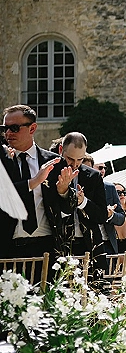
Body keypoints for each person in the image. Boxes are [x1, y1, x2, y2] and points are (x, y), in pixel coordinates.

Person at [0, 105, 63, 259]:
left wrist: (65, 191)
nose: (8, 133)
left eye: (14, 128)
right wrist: (34, 182)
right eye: (4, 128)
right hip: (8, 248)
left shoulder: (53, 162)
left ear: (32, 128)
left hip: (48, 246)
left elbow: (65, 208)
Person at [82, 153, 125, 255]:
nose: (102, 171)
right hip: (84, 243)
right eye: (99, 167)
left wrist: (110, 215)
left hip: (107, 244)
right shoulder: (74, 187)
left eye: (104, 168)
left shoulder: (110, 188)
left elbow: (121, 218)